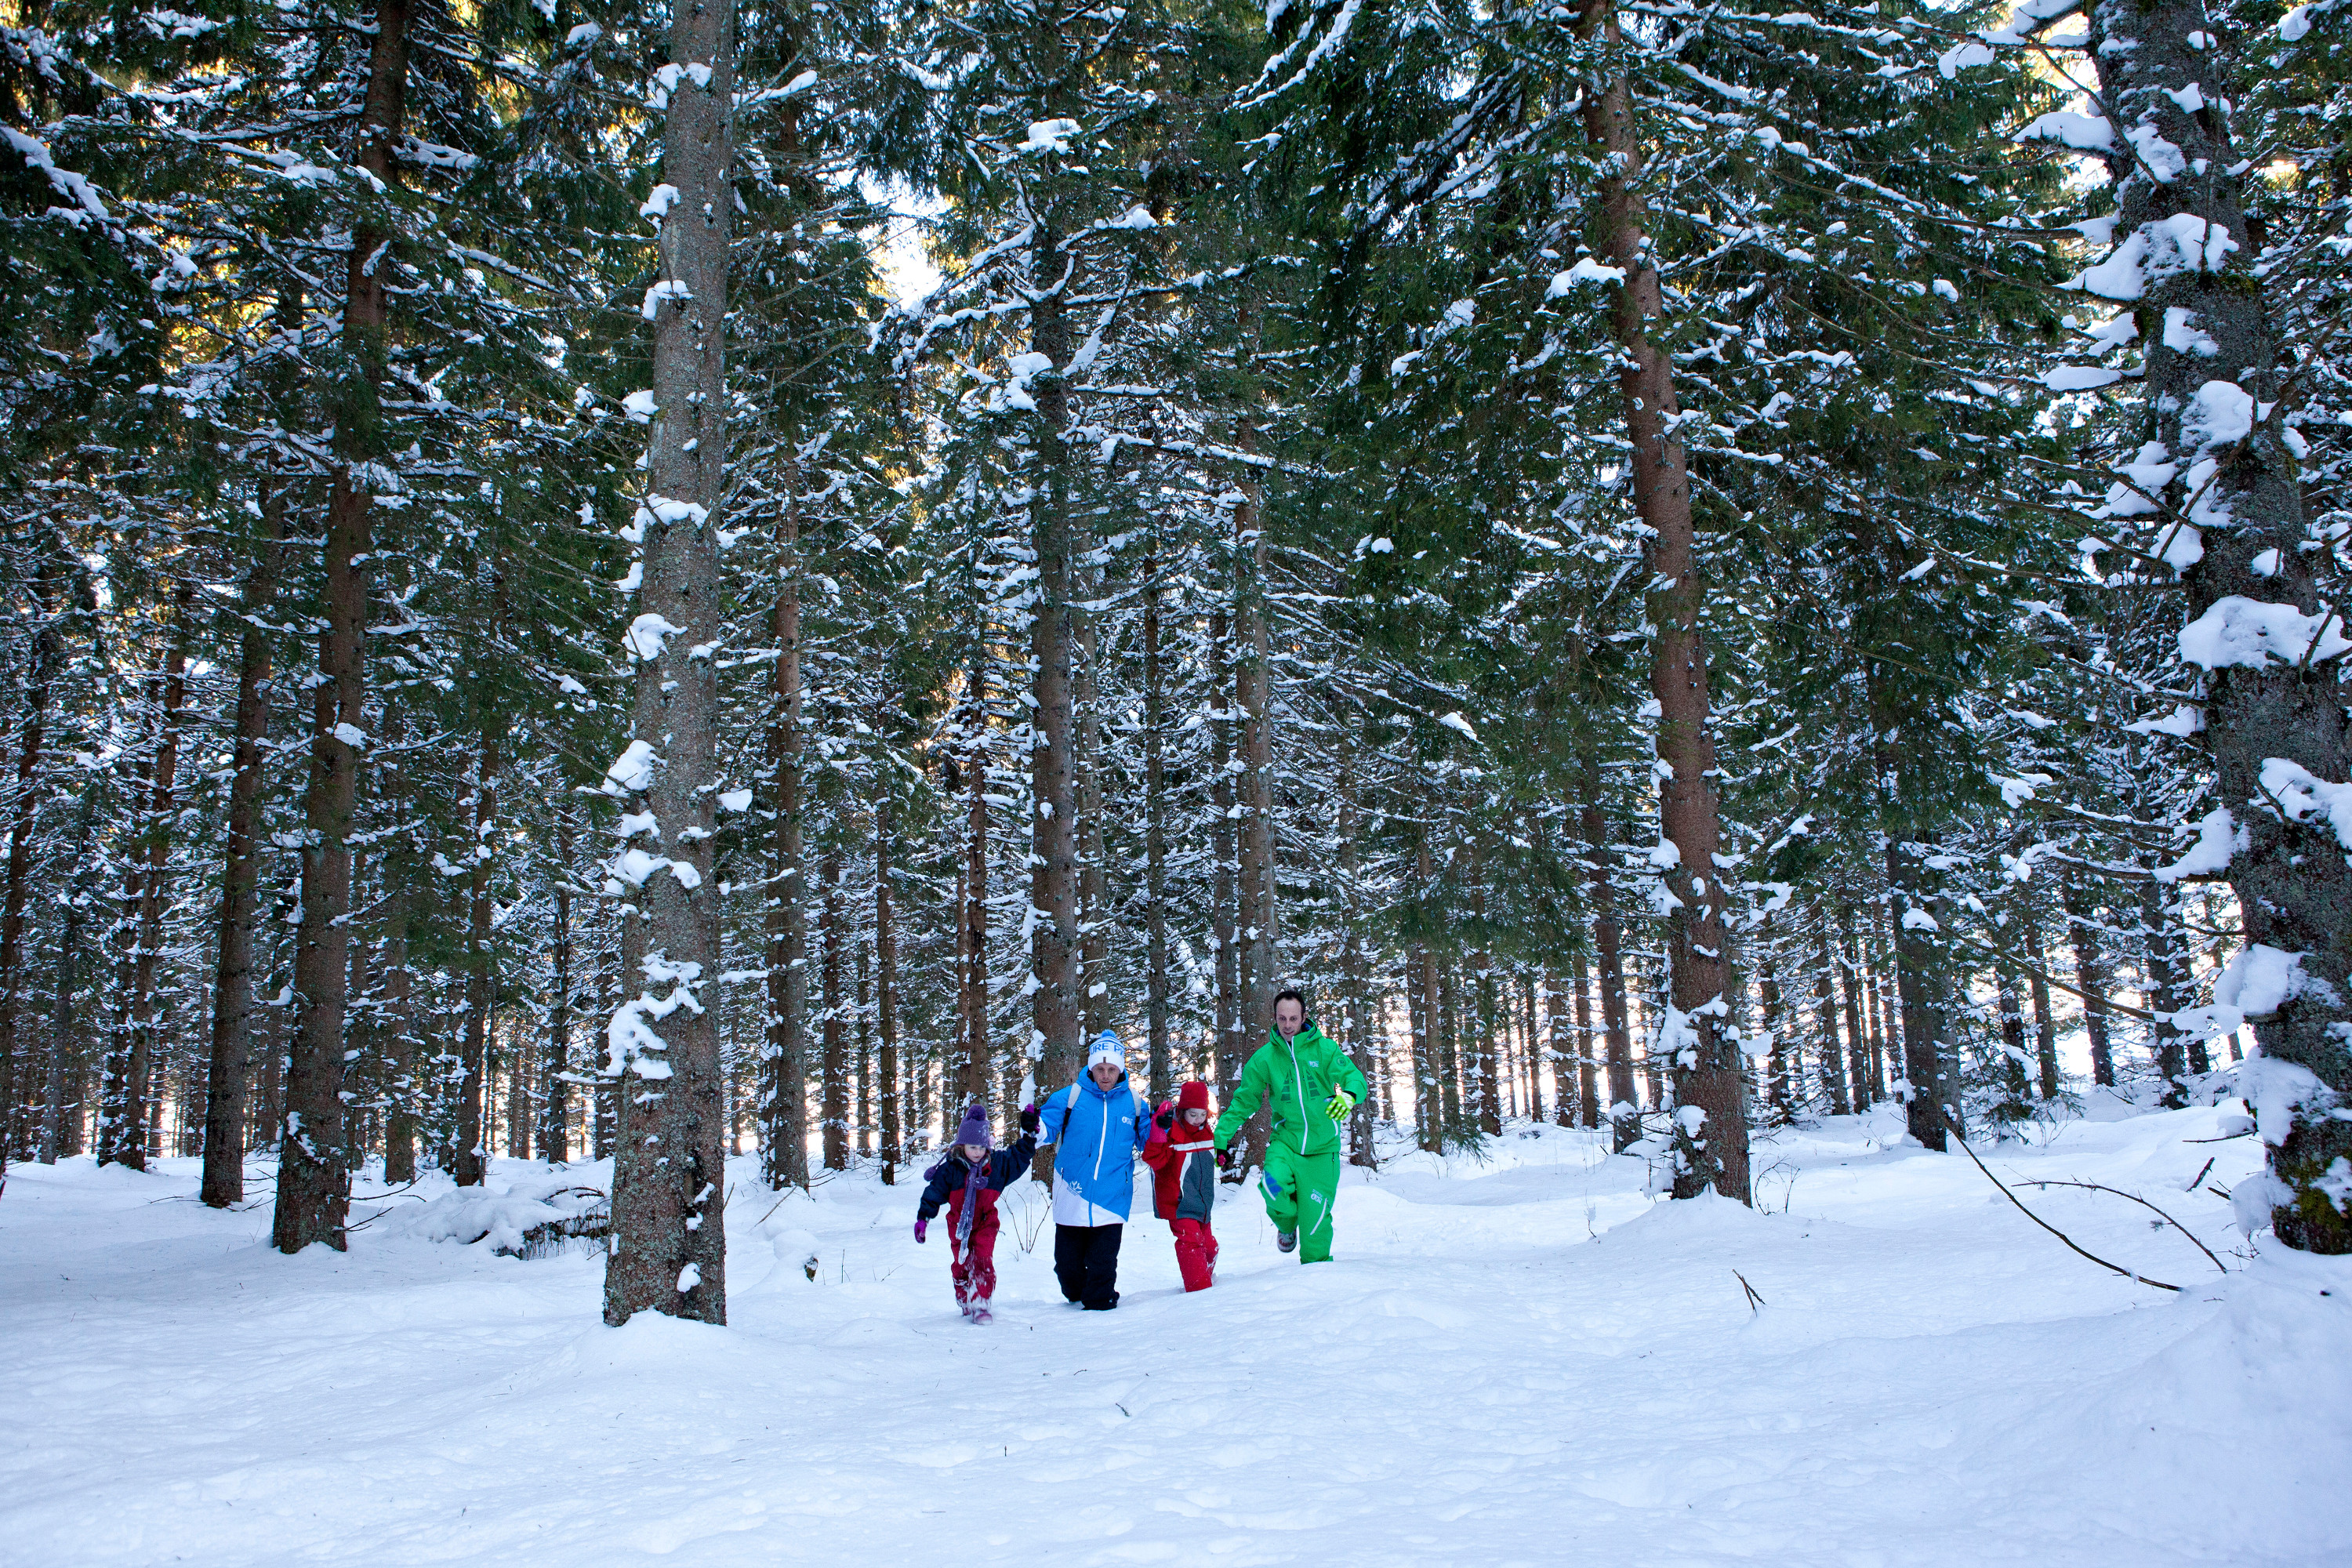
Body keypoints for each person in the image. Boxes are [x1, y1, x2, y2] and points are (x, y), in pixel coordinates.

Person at [1214, 988, 1367, 1264]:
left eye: (1293, 1019)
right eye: (1282, 1019)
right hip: (1286, 1143)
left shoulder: (1325, 1050)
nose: (1287, 1025)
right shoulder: (1265, 1059)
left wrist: (1349, 1096)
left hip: (1323, 1151)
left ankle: (1315, 1280)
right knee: (1272, 1186)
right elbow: (1244, 1101)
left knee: (1315, 1232)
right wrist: (1222, 1137)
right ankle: (1286, 1224)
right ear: (1275, 1018)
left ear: (1304, 1017)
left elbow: (1353, 1077)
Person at [1036, 1030, 1153, 1310]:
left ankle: (1101, 1319)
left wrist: (1161, 1128)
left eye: (1112, 1069)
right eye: (1100, 1069)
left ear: (1121, 1070)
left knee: (1101, 1272)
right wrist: (1033, 1126)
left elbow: (1149, 1144)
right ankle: (1079, 1293)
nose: (1105, 1075)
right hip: (1072, 1193)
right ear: (1090, 1068)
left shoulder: (1135, 1104)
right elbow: (1045, 1130)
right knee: (1068, 1272)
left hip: (1112, 1197)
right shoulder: (1070, 1097)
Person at [914, 1102, 1039, 1324]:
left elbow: (1018, 1157)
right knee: (961, 1264)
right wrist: (923, 1219)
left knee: (982, 1260)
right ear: (962, 1145)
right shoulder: (951, 1169)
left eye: (982, 1148)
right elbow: (933, 1192)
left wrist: (1028, 1134)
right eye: (972, 1147)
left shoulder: (996, 1166)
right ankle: (964, 1296)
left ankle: (981, 1302)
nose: (977, 1153)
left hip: (986, 1223)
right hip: (958, 1224)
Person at [1139, 1079, 1220, 1291]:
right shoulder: (1171, 1133)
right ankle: (1199, 1291)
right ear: (1182, 1110)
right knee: (1191, 1243)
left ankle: (1207, 1275)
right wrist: (1158, 1133)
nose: (1198, 1119)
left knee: (1209, 1246)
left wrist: (1221, 1156)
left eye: (1203, 1114)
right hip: (1179, 1204)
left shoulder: (1206, 1132)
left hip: (1202, 1204)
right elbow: (1153, 1158)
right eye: (1193, 1114)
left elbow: (1208, 1156)